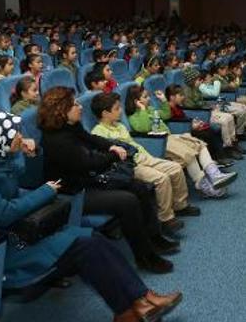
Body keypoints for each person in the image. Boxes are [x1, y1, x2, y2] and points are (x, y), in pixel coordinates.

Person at [0, 109, 181, 322]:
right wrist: (45, 192)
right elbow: (2, 213)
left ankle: (141, 299)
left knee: (91, 239)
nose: (19, 136)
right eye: (13, 132)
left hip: (21, 231)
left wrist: (31, 153)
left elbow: (21, 183)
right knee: (87, 245)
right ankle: (131, 310)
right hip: (4, 248)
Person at [38, 87, 178, 272]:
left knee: (138, 187)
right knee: (127, 201)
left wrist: (112, 146)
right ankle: (145, 256)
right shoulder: (56, 140)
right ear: (61, 110)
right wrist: (114, 155)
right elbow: (87, 163)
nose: (80, 107)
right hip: (73, 193)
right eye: (74, 104)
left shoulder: (70, 126)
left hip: (88, 180)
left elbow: (91, 139)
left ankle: (154, 238)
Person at [89, 93, 214, 224]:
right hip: (131, 165)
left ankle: (180, 206)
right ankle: (166, 218)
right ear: (105, 113)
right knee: (162, 179)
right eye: (116, 108)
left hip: (144, 156)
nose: (120, 111)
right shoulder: (98, 133)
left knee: (176, 168)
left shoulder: (119, 125)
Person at [126, 86, 238, 193]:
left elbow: (166, 115)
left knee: (199, 144)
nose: (149, 99)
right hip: (160, 142)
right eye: (145, 97)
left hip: (170, 137)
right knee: (188, 153)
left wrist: (164, 101)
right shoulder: (134, 117)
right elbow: (145, 127)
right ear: (136, 101)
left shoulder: (150, 109)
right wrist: (142, 110)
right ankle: (203, 185)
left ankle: (214, 174)